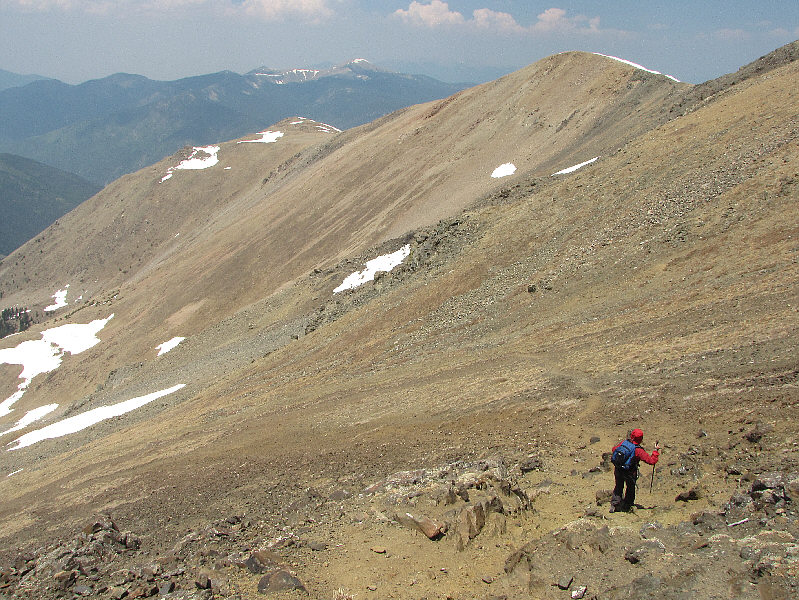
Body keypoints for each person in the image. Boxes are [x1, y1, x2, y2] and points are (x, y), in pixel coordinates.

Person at [610, 428, 660, 513]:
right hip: (629, 472)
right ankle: (627, 506)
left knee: (618, 486)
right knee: (630, 488)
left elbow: (614, 449)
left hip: (618, 469)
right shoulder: (638, 450)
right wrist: (655, 451)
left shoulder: (624, 443)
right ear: (641, 439)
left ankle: (614, 505)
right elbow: (651, 461)